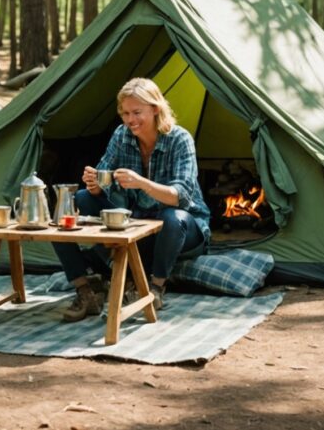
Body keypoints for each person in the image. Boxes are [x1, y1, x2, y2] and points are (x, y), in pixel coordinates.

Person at [53, 77, 211, 322]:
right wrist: (95, 184)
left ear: (155, 109)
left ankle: (155, 288)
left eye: (137, 112)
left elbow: (180, 197)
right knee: (83, 199)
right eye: (125, 113)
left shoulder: (179, 140)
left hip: (181, 229)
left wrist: (141, 182)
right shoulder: (122, 135)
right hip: (139, 224)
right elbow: (104, 176)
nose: (130, 120)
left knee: (173, 216)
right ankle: (87, 291)